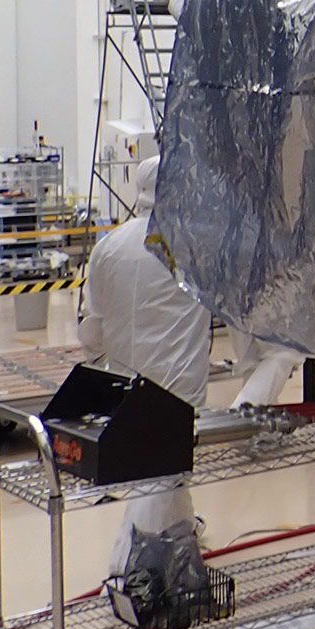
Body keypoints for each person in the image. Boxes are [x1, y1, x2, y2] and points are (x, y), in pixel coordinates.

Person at [79, 155, 212, 573]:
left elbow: (91, 331)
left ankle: (173, 543)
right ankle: (138, 567)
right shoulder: (192, 247)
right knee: (163, 476)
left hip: (122, 392)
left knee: (160, 478)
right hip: (178, 393)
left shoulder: (108, 246)